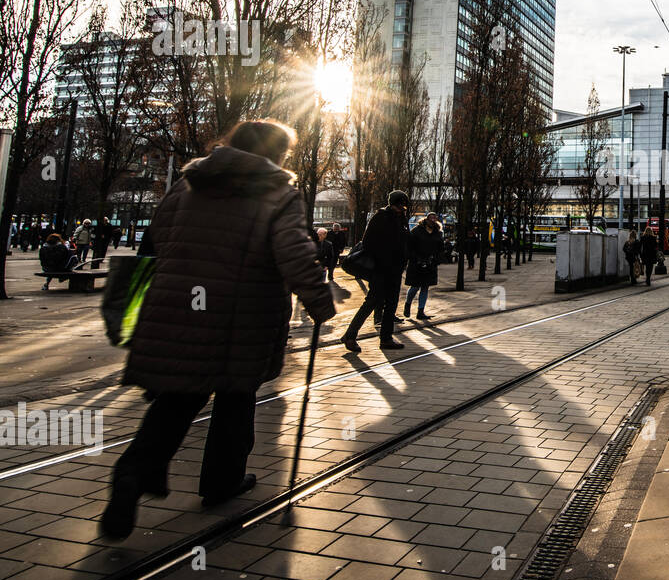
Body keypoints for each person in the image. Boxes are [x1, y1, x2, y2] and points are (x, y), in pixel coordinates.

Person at [100, 119, 336, 540]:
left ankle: (133, 474)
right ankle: (221, 481)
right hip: (241, 318)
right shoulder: (278, 192)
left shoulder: (186, 185)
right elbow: (295, 255)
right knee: (235, 399)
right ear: (276, 153)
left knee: (175, 400)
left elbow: (153, 245)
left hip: (177, 311)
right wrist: (320, 302)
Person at [342, 191, 410, 352]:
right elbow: (368, 243)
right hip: (381, 269)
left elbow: (404, 241)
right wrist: (384, 259)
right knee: (372, 301)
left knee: (391, 304)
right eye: (399, 205)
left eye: (404, 206)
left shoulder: (401, 219)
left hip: (395, 269)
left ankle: (386, 338)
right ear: (393, 204)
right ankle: (350, 335)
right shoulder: (381, 217)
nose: (402, 209)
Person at [404, 214, 442, 320]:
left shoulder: (438, 233)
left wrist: (435, 260)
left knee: (425, 287)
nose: (433, 221)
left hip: (430, 264)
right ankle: (408, 304)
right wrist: (415, 258)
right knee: (415, 287)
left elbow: (440, 248)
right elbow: (410, 247)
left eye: (435, 220)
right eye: (431, 219)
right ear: (426, 220)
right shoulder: (416, 231)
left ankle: (420, 311)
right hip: (417, 263)